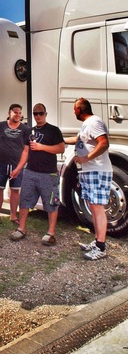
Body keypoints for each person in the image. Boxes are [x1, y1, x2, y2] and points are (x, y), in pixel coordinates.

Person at [64, 98, 112, 260]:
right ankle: (98, 240)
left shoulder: (94, 122)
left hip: (97, 171)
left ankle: (101, 248)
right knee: (93, 207)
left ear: (79, 109)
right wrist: (60, 139)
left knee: (97, 208)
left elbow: (104, 143)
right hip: (90, 172)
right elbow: (78, 140)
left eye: (74, 109)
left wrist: (87, 158)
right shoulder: (87, 125)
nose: (73, 112)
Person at [10, 103, 65, 245]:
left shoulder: (53, 130)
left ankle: (50, 233)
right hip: (30, 172)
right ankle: (21, 229)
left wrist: (42, 147)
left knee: (51, 203)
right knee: (24, 200)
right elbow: (26, 152)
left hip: (48, 174)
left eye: (41, 113)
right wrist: (18, 169)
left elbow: (60, 148)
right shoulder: (30, 131)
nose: (38, 116)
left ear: (46, 114)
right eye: (35, 113)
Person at [0, 103, 30, 225]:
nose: (17, 115)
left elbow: (26, 149)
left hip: (17, 165)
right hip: (1, 163)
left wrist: (20, 166)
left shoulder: (25, 129)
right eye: (15, 112)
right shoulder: (0, 125)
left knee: (15, 190)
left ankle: (13, 215)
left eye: (19, 113)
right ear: (9, 113)